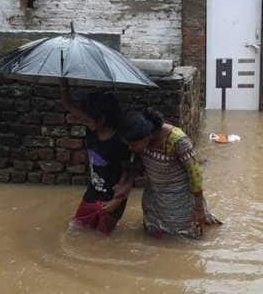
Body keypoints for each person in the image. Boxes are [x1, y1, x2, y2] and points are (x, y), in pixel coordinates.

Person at [117, 108, 221, 239]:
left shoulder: (178, 141)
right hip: (154, 199)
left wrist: (199, 208)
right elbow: (137, 166)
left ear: (147, 135)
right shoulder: (141, 139)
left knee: (184, 240)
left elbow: (195, 174)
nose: (130, 148)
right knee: (154, 235)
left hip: (180, 201)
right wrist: (125, 184)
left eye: (132, 144)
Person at [59, 79, 132, 234]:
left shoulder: (119, 142)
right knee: (76, 228)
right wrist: (63, 84)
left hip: (112, 199)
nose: (84, 121)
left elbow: (129, 172)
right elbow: (69, 105)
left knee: (102, 238)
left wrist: (117, 200)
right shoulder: (92, 129)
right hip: (92, 192)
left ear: (103, 119)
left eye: (87, 119)